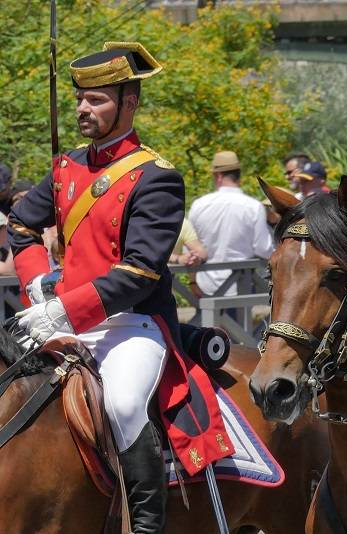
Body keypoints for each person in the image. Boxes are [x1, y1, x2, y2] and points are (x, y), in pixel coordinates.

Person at [8, 42, 232, 532]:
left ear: (129, 103)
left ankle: (147, 524)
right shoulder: (66, 167)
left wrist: (69, 309)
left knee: (126, 403)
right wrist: (39, 284)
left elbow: (141, 273)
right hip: (62, 314)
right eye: (81, 99)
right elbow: (22, 226)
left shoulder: (157, 177)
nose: (84, 109)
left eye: (98, 100)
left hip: (130, 323)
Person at [188, 150, 275, 297]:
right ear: (238, 174)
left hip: (206, 286)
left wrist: (192, 282)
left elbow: (190, 249)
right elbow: (264, 250)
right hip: (242, 286)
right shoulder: (253, 207)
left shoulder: (198, 205)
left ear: (218, 175)